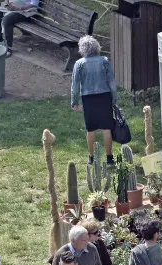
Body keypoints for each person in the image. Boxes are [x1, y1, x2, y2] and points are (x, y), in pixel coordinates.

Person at [71, 35, 118, 166]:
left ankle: (91, 158)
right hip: (104, 96)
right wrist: (114, 99)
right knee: (106, 128)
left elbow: (75, 86)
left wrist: (74, 102)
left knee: (90, 129)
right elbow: (112, 83)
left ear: (82, 49)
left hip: (88, 98)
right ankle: (109, 158)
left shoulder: (79, 64)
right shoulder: (104, 60)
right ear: (97, 47)